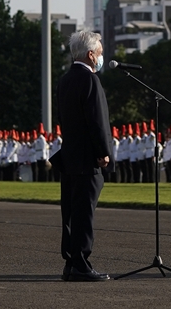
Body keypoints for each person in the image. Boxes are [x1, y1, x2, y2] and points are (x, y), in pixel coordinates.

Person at [53, 31, 112, 282]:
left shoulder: (65, 80)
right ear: (90, 55)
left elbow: (62, 119)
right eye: (99, 52)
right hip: (88, 159)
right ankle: (81, 264)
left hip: (70, 156)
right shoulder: (90, 80)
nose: (100, 57)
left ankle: (71, 261)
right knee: (84, 213)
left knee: (71, 213)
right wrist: (103, 152)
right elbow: (97, 122)